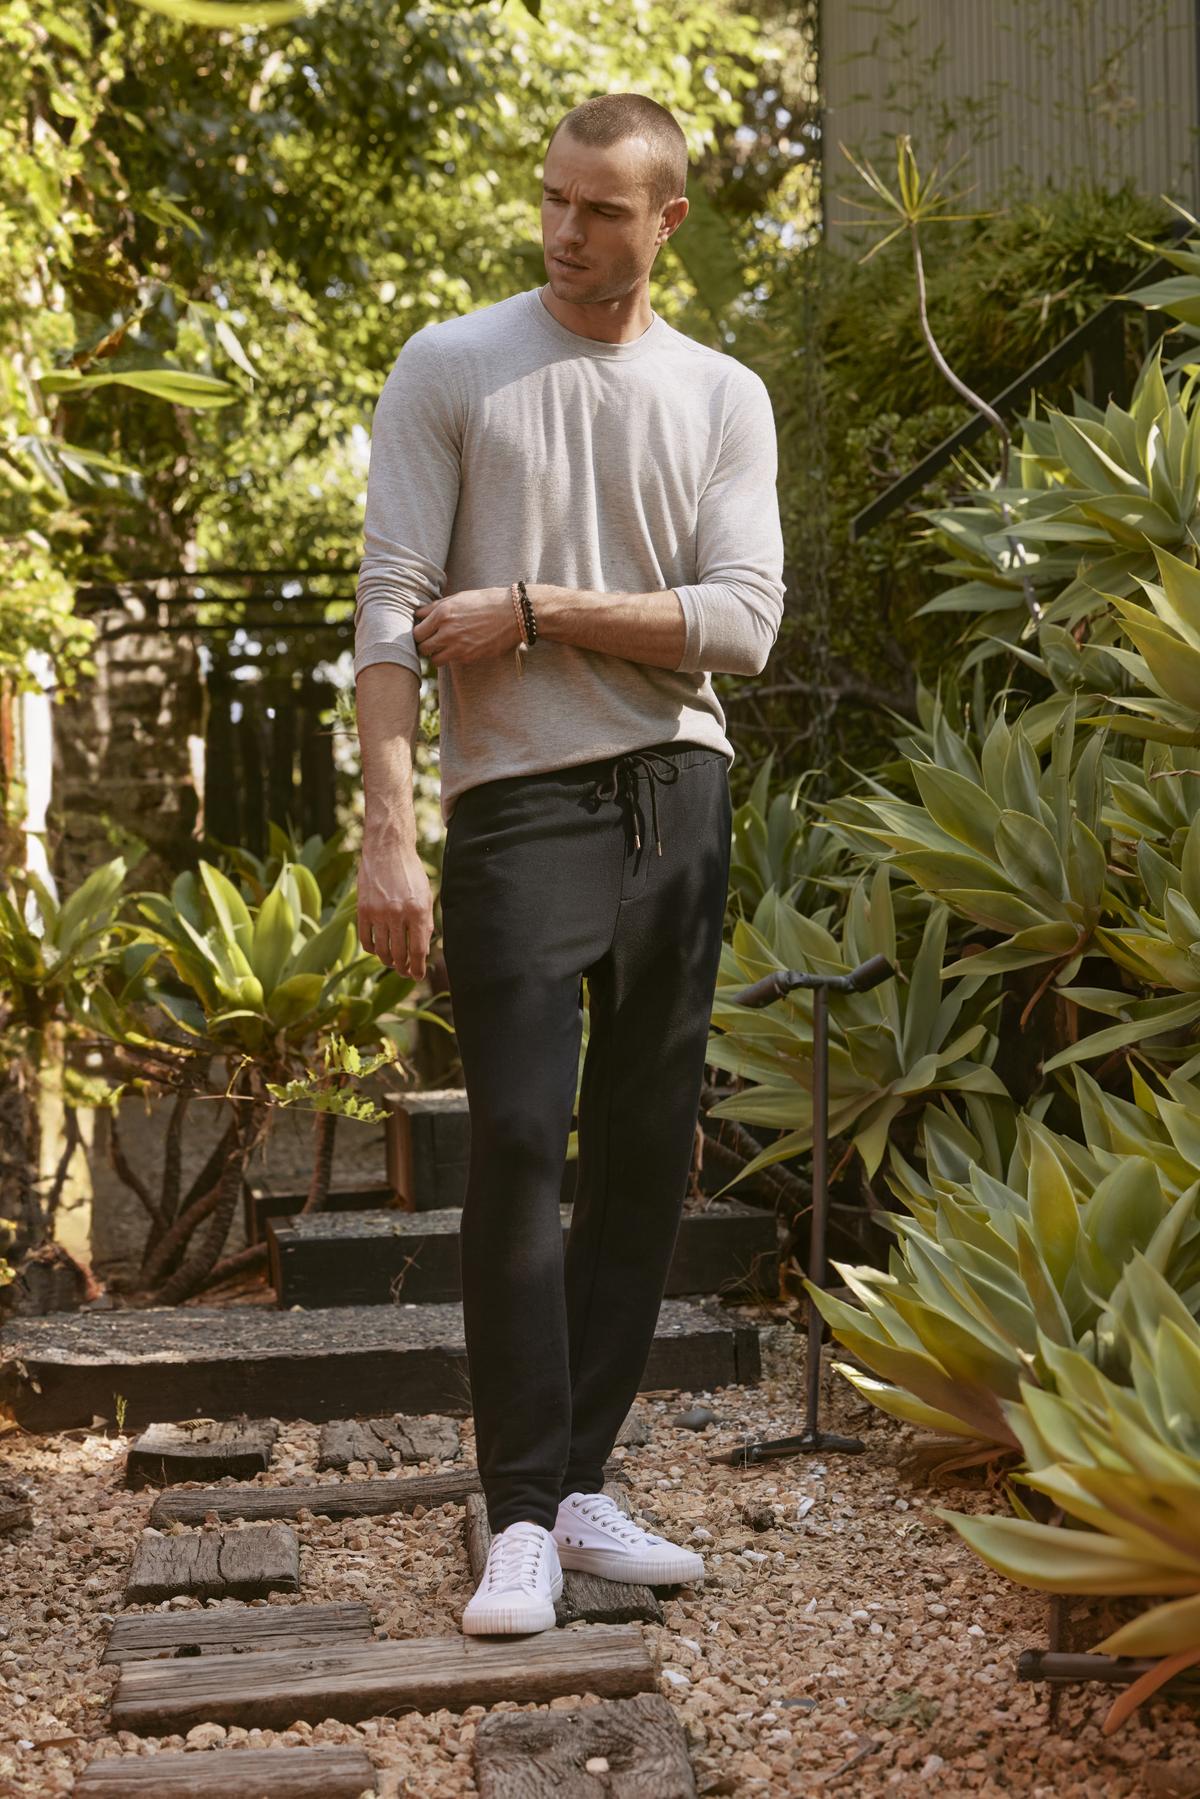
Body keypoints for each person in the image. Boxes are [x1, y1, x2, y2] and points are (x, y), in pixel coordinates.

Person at [353, 91, 786, 1636]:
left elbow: (744, 623)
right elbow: (393, 610)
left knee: (645, 1156)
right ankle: (520, 1514)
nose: (563, 230)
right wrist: (390, 833)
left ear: (668, 223)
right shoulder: (454, 365)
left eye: (601, 209)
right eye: (552, 198)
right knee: (524, 1147)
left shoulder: (722, 393)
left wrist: (536, 606)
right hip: (521, 805)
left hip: (680, 790)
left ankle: (584, 1482)